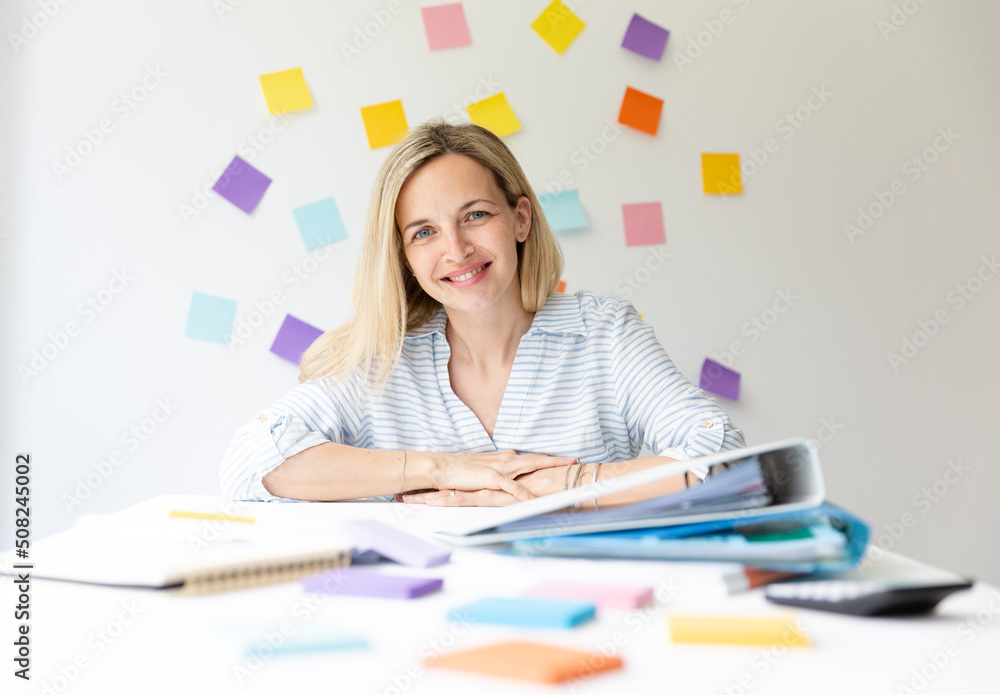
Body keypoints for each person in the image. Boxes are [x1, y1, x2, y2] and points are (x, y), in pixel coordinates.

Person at [221, 121, 744, 507]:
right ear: (403, 255)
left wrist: (556, 488)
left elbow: (722, 458)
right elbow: (252, 463)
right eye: (423, 232)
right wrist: (447, 470)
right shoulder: (380, 362)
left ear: (519, 219)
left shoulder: (604, 334)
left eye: (475, 215)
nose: (456, 249)